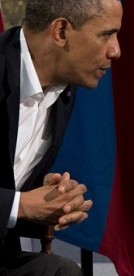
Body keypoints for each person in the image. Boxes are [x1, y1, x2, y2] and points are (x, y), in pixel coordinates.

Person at [0, 0, 122, 274]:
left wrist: (50, 201)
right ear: (61, 32)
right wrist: (21, 204)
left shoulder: (63, 93)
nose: (116, 50)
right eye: (106, 34)